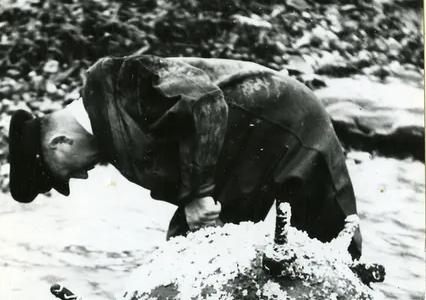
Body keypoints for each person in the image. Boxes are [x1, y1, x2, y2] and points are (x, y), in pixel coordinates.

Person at [8, 54, 362, 258]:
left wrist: (198, 194)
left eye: (66, 174)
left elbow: (206, 102)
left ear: (59, 143)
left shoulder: (117, 82)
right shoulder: (108, 133)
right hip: (239, 157)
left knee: (334, 252)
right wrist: (197, 199)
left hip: (289, 122)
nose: (82, 176)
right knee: (186, 255)